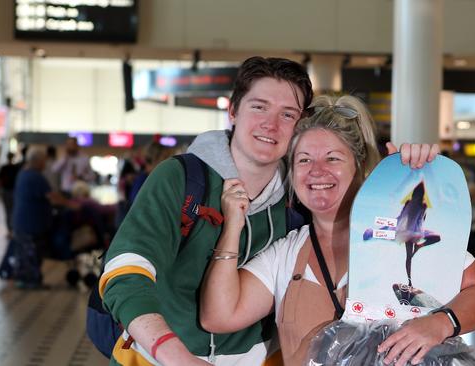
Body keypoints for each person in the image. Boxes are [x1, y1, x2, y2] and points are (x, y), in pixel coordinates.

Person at [200, 95, 475, 366]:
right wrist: (233, 227)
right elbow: (219, 315)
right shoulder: (287, 253)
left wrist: (440, 322)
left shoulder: (402, 234)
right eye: (304, 160)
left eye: (332, 158)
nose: (317, 171)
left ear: (359, 167)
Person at [99, 57, 315, 366]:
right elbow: (126, 269)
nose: (271, 123)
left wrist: (407, 168)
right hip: (158, 357)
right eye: (259, 106)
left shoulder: (302, 196)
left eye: (288, 114)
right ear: (232, 111)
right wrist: (176, 356)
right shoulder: (181, 179)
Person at [11, 148, 55, 288]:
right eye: (44, 162)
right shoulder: (35, 176)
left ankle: (25, 280)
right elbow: (51, 196)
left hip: (23, 221)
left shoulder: (23, 173)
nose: (45, 165)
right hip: (31, 223)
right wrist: (72, 205)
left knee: (25, 253)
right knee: (32, 253)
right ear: (37, 161)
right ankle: (31, 281)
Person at [0, 152, 21, 231]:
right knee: (13, 210)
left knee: (7, 210)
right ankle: (13, 228)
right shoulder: (16, 168)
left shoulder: (4, 168)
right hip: (13, 191)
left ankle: (10, 229)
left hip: (6, 191)